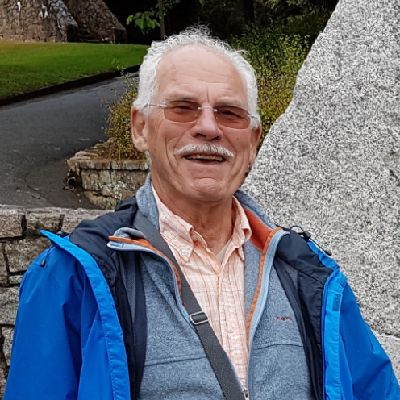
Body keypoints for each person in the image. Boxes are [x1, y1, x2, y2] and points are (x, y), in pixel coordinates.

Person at [4, 27, 399, 400]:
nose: (209, 127)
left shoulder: (308, 273)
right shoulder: (73, 277)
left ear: (253, 141)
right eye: (183, 108)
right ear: (140, 128)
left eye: (229, 113)